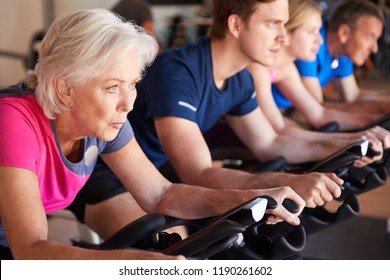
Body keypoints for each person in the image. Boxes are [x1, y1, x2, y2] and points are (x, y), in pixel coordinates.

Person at [0, 9, 306, 260]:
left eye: (132, 84)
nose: (128, 103)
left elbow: (160, 194)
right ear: (65, 88)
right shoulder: (13, 121)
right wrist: (135, 261)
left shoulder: (103, 121)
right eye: (112, 87)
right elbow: (30, 249)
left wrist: (250, 200)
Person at [124, 0, 346, 206]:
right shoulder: (177, 72)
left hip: (158, 170)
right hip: (114, 174)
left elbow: (269, 143)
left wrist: (344, 146)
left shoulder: (240, 78)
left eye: (284, 25)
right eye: (273, 24)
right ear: (236, 25)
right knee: (175, 242)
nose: (283, 38)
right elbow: (197, 173)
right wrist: (287, 182)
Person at [247, 0, 390, 144]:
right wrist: (343, 142)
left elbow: (319, 114)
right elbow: (278, 127)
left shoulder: (288, 68)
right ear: (286, 34)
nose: (320, 40)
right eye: (311, 31)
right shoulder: (260, 68)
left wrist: (372, 122)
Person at [294, 0, 390, 115]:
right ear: (344, 33)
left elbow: (352, 96)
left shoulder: (343, 52)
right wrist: (381, 107)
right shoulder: (310, 44)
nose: (375, 49)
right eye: (370, 38)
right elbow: (317, 109)